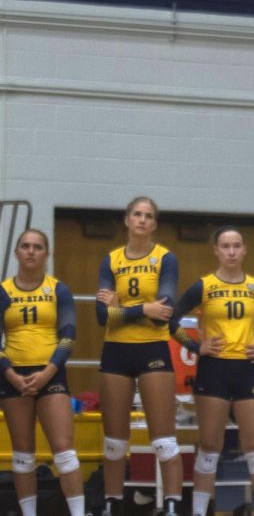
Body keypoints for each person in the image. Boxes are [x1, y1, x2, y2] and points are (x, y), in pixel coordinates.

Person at [169, 226, 254, 516]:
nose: (231, 252)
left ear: (244, 249)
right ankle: (198, 511)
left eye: (236, 246)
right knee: (210, 447)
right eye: (225, 246)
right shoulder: (204, 285)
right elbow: (172, 321)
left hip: (248, 369)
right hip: (213, 369)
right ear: (216, 251)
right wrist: (197, 347)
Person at [95, 196, 182, 516]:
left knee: (163, 441)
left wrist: (121, 307)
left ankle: (172, 505)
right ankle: (111, 504)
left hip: (152, 349)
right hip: (115, 351)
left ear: (155, 224)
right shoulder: (112, 259)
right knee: (115, 443)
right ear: (127, 219)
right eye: (137, 214)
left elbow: (165, 314)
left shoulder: (165, 259)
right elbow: (102, 317)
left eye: (149, 216)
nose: (142, 220)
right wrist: (144, 307)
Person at [0, 229, 85, 516]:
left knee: (64, 450)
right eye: (25, 246)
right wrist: (11, 374)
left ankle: (78, 512)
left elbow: (69, 335)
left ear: (46, 254)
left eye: (37, 247)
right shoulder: (3, 291)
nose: (31, 251)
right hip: (14, 377)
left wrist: (48, 372)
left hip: (51, 374)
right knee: (23, 455)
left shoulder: (58, 289)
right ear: (17, 253)